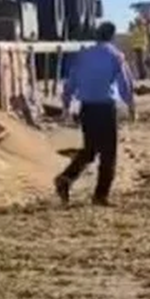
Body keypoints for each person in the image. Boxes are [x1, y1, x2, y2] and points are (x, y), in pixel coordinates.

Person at [55, 21, 136, 207]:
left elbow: (71, 82)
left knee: (90, 150)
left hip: (87, 108)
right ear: (112, 36)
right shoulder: (116, 56)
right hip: (105, 108)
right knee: (108, 153)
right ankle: (100, 195)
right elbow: (125, 84)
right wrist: (131, 105)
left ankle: (65, 178)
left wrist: (66, 104)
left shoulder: (83, 55)